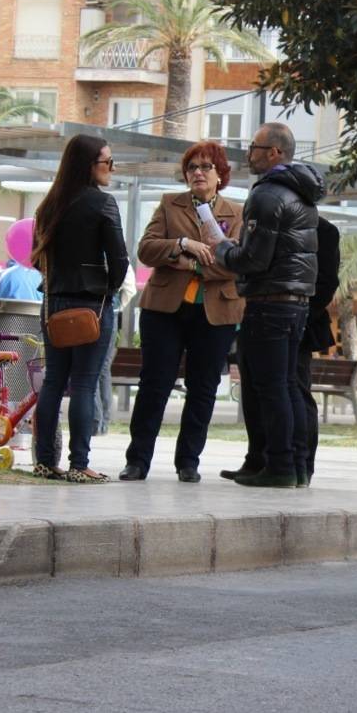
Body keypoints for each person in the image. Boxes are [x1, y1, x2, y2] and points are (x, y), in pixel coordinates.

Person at [119, 142, 244, 482]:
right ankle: (138, 460)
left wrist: (197, 269)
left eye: (205, 167)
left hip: (215, 312)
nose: (198, 173)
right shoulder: (168, 204)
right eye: (192, 168)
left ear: (220, 175)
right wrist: (182, 246)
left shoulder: (237, 212)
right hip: (164, 309)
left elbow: (239, 265)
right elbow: (146, 250)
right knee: (154, 384)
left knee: (203, 388)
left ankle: (188, 461)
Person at [213, 122, 323, 488]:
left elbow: (254, 259)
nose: (249, 154)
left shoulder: (269, 195)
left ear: (275, 152)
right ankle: (281, 463)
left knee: (270, 386)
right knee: (285, 384)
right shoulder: (301, 194)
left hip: (270, 302)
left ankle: (279, 465)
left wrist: (224, 249)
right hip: (292, 304)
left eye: (255, 148)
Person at [30, 134, 129, 482]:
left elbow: (35, 258)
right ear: (88, 165)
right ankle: (78, 464)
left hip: (54, 303)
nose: (111, 169)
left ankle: (44, 461)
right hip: (93, 305)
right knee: (85, 384)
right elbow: (120, 260)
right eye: (107, 162)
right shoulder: (102, 203)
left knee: (54, 381)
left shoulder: (48, 205)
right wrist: (109, 288)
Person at [295, 214, 340, 486]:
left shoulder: (324, 230)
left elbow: (326, 283)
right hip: (264, 319)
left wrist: (302, 315)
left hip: (302, 322)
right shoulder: (273, 219)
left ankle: (302, 463)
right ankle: (264, 458)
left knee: (297, 390)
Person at [94, 264, 136, 436]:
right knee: (102, 369)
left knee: (91, 370)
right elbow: (130, 288)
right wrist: (119, 307)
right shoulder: (118, 254)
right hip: (110, 312)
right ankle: (102, 422)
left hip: (92, 312)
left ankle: (97, 421)